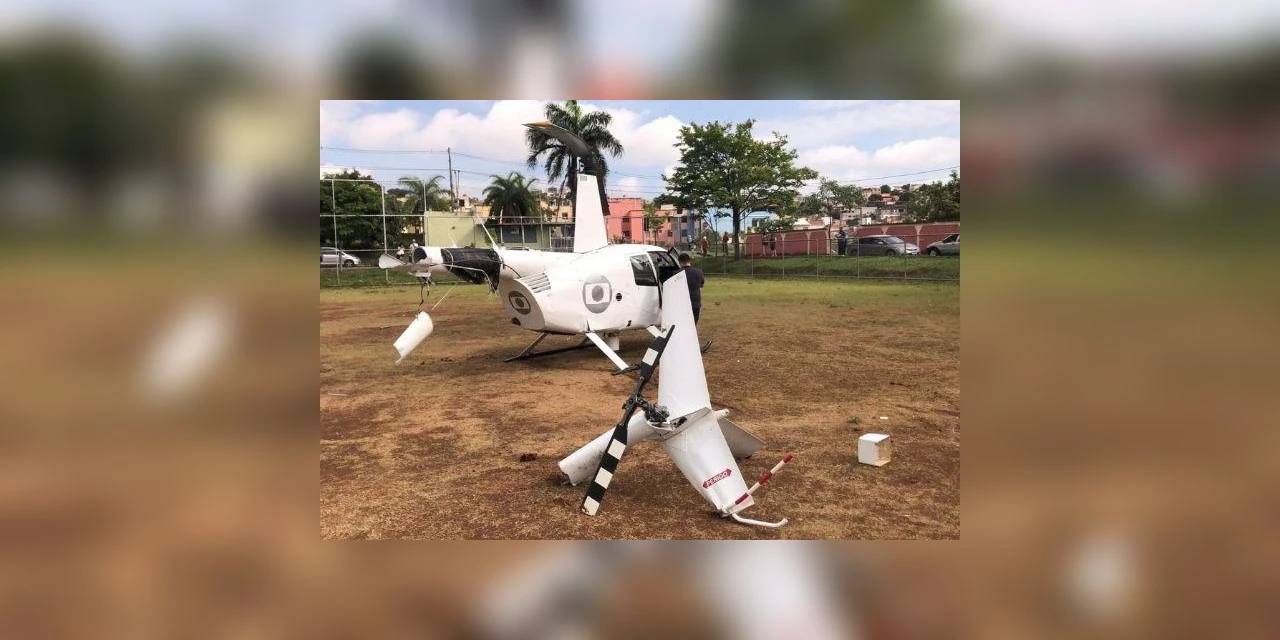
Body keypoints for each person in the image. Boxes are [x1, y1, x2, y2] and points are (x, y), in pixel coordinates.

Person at [677, 253, 704, 324]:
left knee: (683, 323)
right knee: (693, 324)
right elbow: (701, 286)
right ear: (689, 261)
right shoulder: (699, 272)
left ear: (680, 262)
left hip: (682, 303)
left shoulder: (677, 274)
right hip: (695, 302)